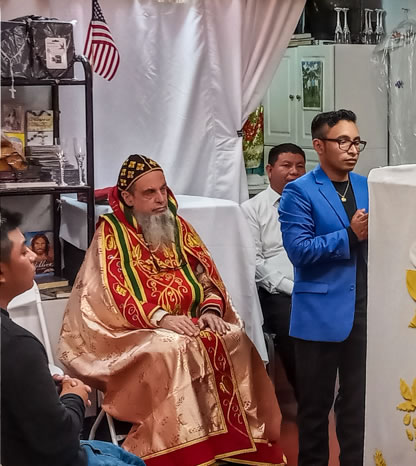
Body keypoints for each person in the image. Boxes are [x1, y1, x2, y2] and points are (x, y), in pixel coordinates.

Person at [57, 155, 286, 466]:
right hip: (128, 332)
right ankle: (185, 450)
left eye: (163, 189)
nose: (161, 199)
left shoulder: (178, 226)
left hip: (188, 321)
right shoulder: (111, 234)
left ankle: (235, 441)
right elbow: (110, 296)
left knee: (231, 336)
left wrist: (210, 310)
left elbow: (206, 277)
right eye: (150, 193)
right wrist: (162, 318)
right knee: (173, 349)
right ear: (128, 198)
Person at [0, 209, 145, 466]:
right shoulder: (17, 345)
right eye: (23, 252)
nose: (33, 255)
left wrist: (41, 386)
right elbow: (60, 442)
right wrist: (74, 395)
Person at [279, 109, 369, 466]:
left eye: (356, 142)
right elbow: (299, 251)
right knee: (315, 410)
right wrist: (349, 235)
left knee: (357, 406)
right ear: (319, 145)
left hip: (363, 309)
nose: (352, 149)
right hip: (318, 314)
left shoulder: (367, 186)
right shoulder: (298, 192)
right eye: (342, 141)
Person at [242, 143, 307, 391]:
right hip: (277, 291)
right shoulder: (251, 209)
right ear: (269, 170)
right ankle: (307, 398)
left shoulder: (312, 204)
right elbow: (255, 262)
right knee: (292, 325)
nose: (294, 172)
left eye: (300, 166)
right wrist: (291, 288)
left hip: (313, 282)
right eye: (286, 165)